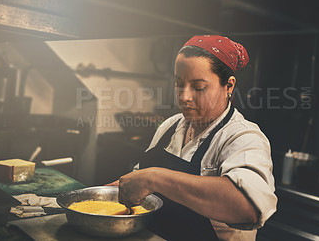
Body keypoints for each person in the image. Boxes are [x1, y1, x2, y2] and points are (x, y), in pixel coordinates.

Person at [106, 35, 277, 241]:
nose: (185, 96)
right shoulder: (171, 126)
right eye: (179, 84)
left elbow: (246, 207)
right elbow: (140, 182)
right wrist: (116, 190)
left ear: (229, 87)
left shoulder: (244, 137)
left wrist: (154, 178)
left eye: (199, 87)